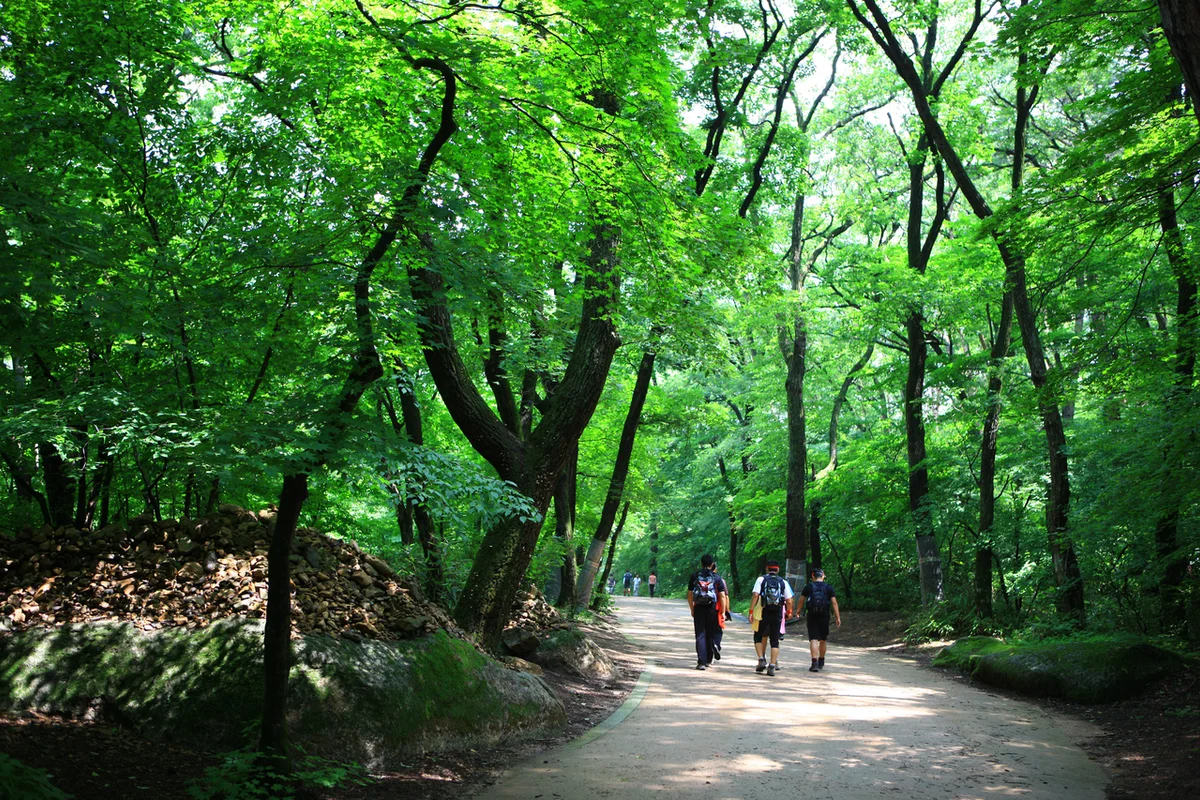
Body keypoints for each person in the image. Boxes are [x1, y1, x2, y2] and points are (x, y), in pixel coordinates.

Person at [749, 560, 793, 676]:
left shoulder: (761, 579)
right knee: (775, 640)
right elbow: (789, 600)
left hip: (763, 611)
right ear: (777, 569)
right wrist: (789, 612)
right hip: (777, 612)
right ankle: (772, 665)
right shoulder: (783, 582)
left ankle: (761, 659)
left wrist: (751, 611)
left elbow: (755, 595)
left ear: (767, 568)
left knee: (758, 636)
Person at [687, 554, 728, 670]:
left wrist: (692, 608)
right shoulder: (716, 577)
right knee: (710, 633)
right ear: (712, 564)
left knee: (700, 634)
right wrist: (723, 612)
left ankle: (701, 661)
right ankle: (709, 659)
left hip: (699, 606)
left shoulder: (695, 576)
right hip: (712, 608)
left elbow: (689, 594)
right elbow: (722, 595)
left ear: (701, 563)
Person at [797, 568, 841, 672]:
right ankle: (821, 661)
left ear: (813, 576)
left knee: (813, 639)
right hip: (824, 615)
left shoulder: (809, 587)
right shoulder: (828, 588)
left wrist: (798, 611)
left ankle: (814, 663)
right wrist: (837, 617)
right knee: (823, 639)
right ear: (823, 576)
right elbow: (834, 603)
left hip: (812, 615)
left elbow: (801, 600)